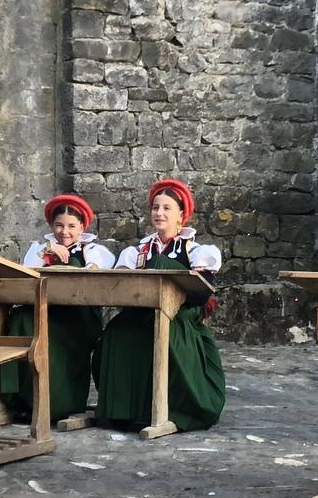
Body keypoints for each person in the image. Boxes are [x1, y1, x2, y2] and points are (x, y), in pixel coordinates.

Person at [92, 178, 226, 431]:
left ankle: (172, 409)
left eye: (166, 208)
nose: (159, 213)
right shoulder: (138, 251)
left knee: (167, 332)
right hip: (141, 312)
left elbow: (200, 295)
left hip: (180, 315)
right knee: (116, 330)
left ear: (181, 215)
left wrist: (165, 270)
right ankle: (124, 409)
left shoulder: (195, 250)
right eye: (155, 207)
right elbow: (122, 288)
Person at [0, 193, 116, 423]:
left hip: (77, 318)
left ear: (82, 227)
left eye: (72, 226)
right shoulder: (41, 249)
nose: (65, 232)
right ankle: (18, 399)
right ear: (52, 226)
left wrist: (84, 265)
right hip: (48, 311)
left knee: (59, 341)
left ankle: (58, 405)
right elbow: (26, 269)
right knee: (20, 318)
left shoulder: (91, 250)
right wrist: (47, 253)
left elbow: (104, 263)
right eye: (59, 225)